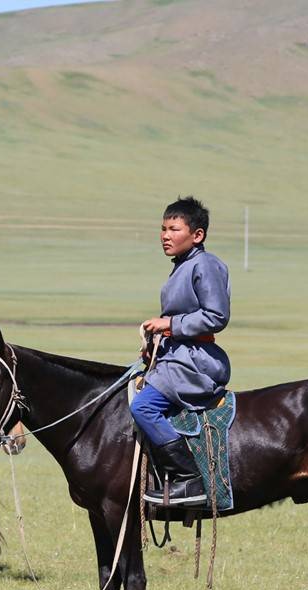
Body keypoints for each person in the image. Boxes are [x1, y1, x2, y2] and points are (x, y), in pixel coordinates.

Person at [131, 196, 230, 506]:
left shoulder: (204, 264)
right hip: (176, 356)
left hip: (196, 363)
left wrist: (169, 324)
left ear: (197, 235)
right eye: (162, 229)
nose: (165, 236)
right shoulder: (183, 267)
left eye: (173, 229)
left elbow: (217, 316)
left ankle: (189, 479)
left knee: (143, 407)